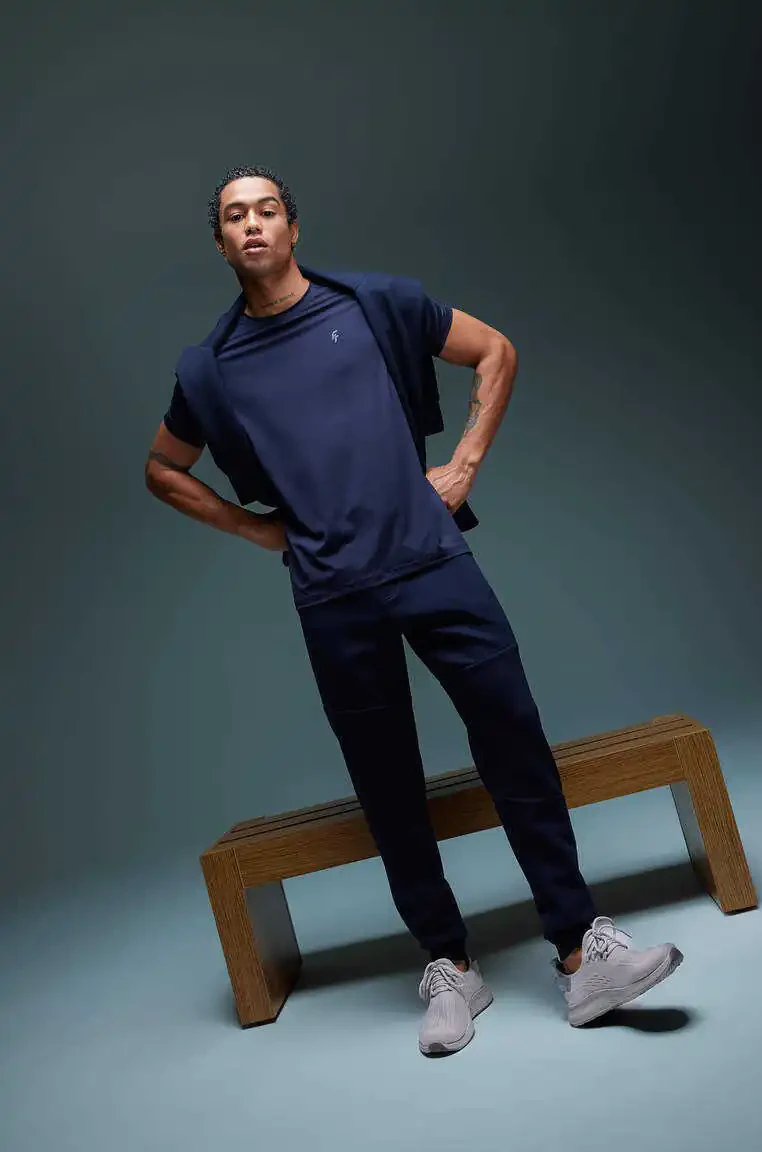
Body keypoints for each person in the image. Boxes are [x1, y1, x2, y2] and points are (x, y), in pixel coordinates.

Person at [146, 165, 684, 1055]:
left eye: (267, 209)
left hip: (433, 561)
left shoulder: (375, 304)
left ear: (292, 227)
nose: (253, 224)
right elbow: (164, 469)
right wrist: (253, 527)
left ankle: (581, 949)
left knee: (513, 736)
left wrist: (465, 462)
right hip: (332, 595)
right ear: (220, 242)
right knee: (386, 782)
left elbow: (495, 350)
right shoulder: (211, 367)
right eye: (235, 216)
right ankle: (449, 967)